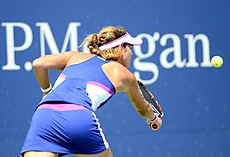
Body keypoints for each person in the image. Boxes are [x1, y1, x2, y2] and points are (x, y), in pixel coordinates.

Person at [20, 26, 162, 157]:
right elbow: (144, 110)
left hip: (44, 116)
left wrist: (47, 92)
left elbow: (38, 64)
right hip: (78, 118)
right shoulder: (124, 74)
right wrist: (154, 118)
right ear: (120, 48)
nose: (132, 52)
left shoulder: (75, 57)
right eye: (130, 47)